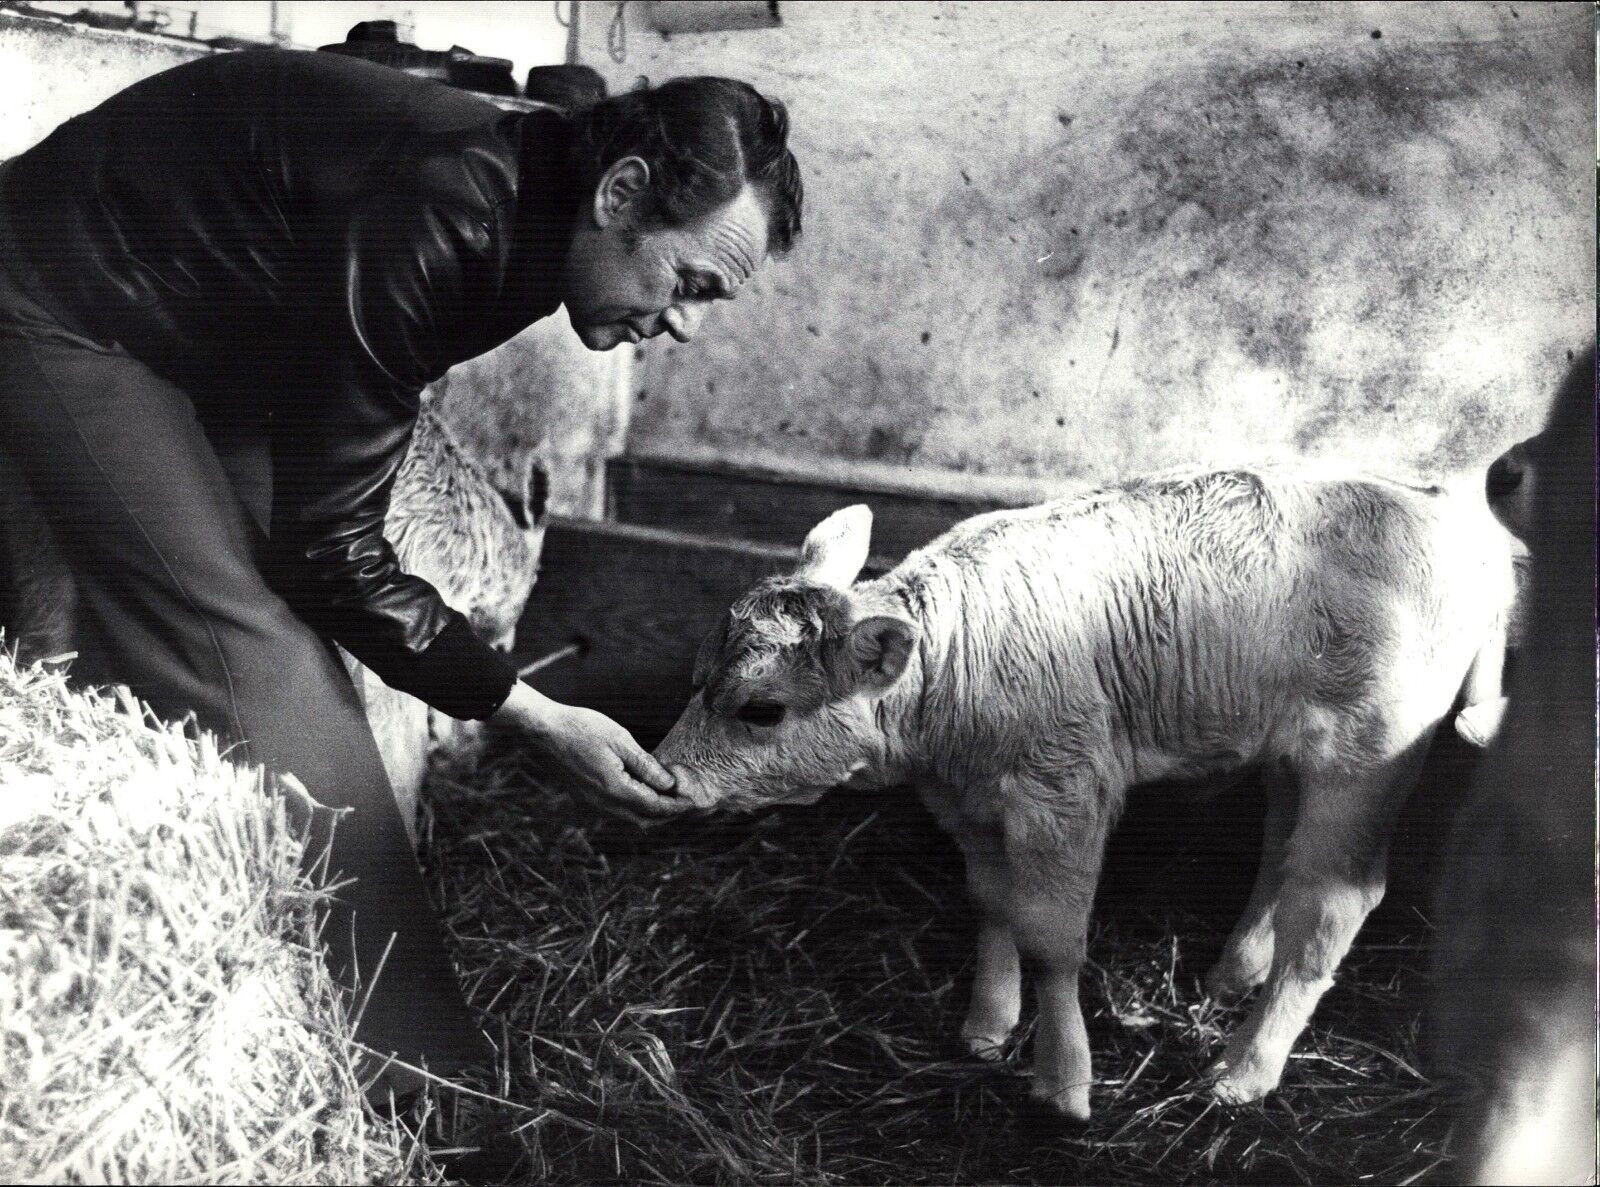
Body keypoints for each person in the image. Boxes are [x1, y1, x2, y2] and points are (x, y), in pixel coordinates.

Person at [0, 47, 802, 1104]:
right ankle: (416, 1078)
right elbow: (328, 547)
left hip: (199, 319)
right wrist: (534, 712)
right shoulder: (454, 218)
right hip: (59, 294)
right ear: (621, 195)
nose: (686, 322)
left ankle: (323, 971)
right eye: (689, 281)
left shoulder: (537, 204)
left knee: (289, 614)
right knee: (252, 638)